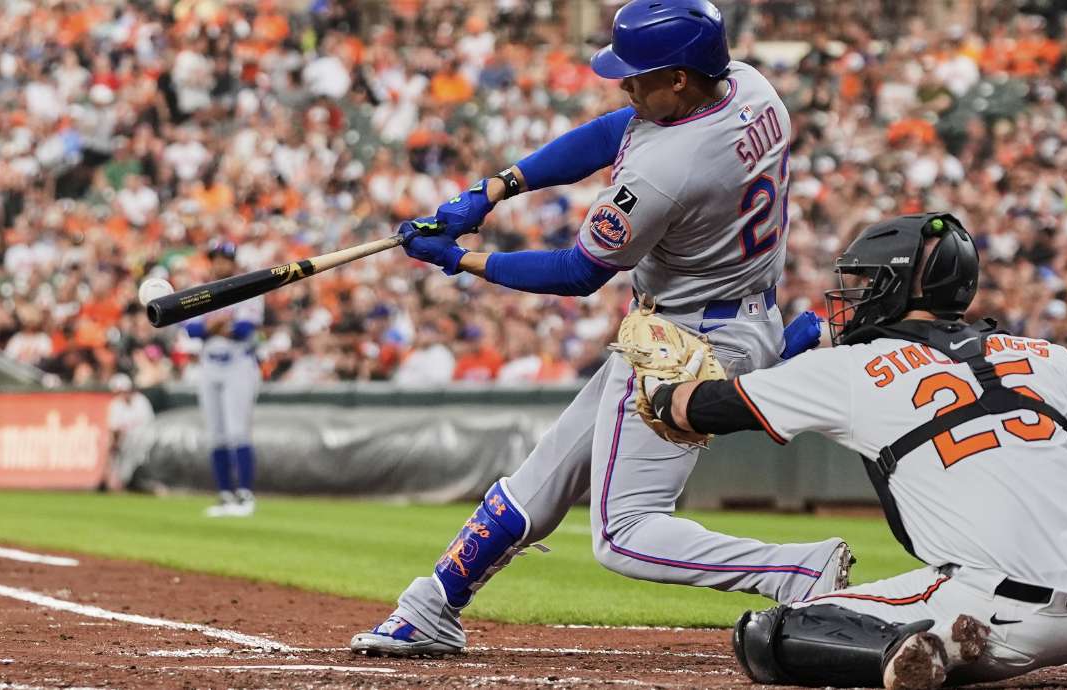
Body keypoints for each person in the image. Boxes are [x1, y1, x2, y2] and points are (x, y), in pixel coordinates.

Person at [350, 0, 850, 658]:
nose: (625, 85)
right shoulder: (750, 85)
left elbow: (578, 272)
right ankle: (433, 605)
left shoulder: (668, 169)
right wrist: (497, 187)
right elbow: (619, 127)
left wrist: (462, 258)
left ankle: (797, 571)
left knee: (624, 534)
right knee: (545, 477)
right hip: (741, 317)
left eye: (640, 75)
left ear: (679, 77)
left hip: (682, 345)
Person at [644, 213, 1067, 689]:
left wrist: (660, 385)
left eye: (866, 282)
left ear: (899, 288)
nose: (853, 295)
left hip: (1001, 619)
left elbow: (702, 407)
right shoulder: (1045, 353)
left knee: (765, 635)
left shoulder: (850, 368)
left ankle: (926, 650)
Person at [184, 240, 264, 518]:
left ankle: (245, 496)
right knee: (216, 435)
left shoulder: (249, 287)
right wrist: (214, 326)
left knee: (238, 431)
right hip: (209, 365)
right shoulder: (202, 291)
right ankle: (225, 496)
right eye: (215, 258)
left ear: (233, 261)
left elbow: (243, 329)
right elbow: (190, 328)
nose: (219, 263)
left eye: (224, 258)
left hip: (238, 363)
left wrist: (210, 327)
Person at [104, 372, 154, 492]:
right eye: (120, 391)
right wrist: (113, 445)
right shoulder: (115, 404)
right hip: (125, 444)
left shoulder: (141, 401)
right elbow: (114, 430)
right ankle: (116, 482)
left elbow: (151, 425)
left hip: (144, 442)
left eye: (125, 390)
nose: (124, 394)